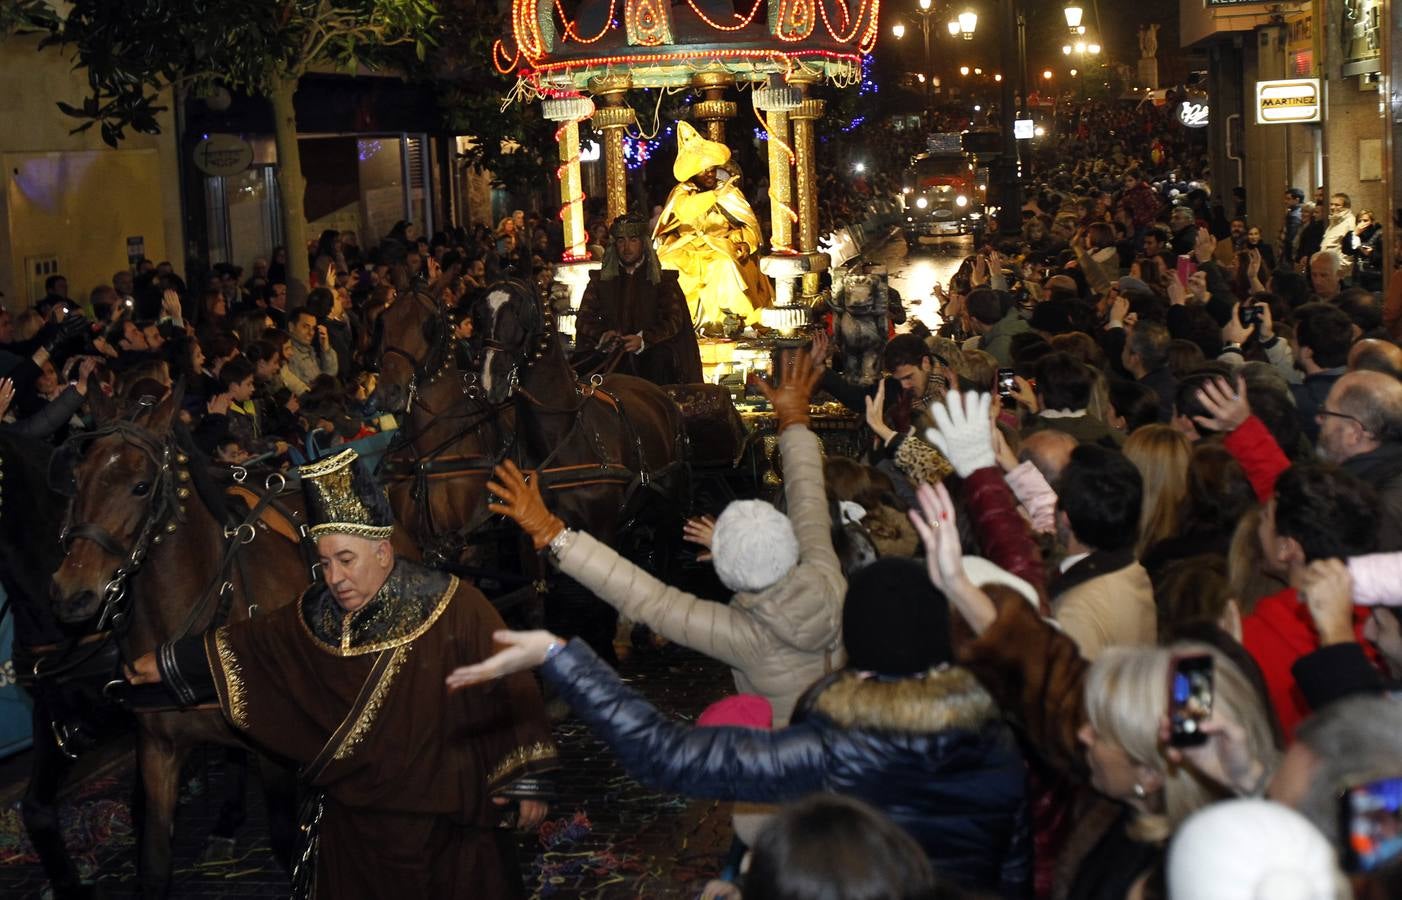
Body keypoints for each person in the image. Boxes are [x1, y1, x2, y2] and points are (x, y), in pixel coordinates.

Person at [446, 555, 1032, 897]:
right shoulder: (1002, 742)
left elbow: (669, 755)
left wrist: (560, 657)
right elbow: (1014, 875)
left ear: (859, 643)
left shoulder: (834, 749)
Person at [125, 448, 557, 898]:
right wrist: (168, 661)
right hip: (354, 829)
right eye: (326, 563)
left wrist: (526, 778)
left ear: (384, 552)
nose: (335, 577)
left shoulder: (456, 606)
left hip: (444, 824)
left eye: (347, 559)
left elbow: (514, 685)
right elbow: (251, 645)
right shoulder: (317, 614)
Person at [482, 348, 844, 725]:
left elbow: (642, 594)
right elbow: (809, 503)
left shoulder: (741, 634)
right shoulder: (828, 575)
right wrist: (795, 419)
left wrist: (552, 533)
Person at [654, 121, 774, 329]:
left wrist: (745, 243)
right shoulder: (681, 192)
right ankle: (674, 322)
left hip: (721, 247)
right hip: (687, 250)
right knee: (666, 263)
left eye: (712, 170)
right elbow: (681, 214)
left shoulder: (728, 192)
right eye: (704, 171)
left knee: (724, 265)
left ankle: (729, 320)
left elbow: (748, 226)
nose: (710, 174)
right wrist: (712, 196)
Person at [575, 214, 702, 385]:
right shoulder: (600, 281)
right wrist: (603, 335)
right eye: (621, 241)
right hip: (610, 354)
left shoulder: (663, 282)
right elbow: (583, 319)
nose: (627, 248)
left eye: (633, 240)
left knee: (659, 361)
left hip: (651, 354)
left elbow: (674, 321)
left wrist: (644, 339)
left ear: (643, 243)